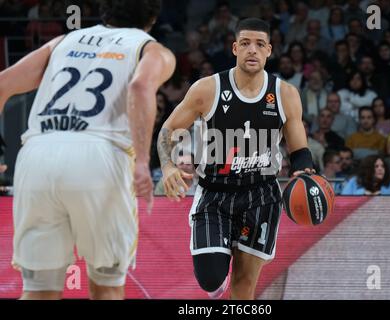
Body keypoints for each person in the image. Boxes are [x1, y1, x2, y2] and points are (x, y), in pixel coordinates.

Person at [0, 0, 176, 300]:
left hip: (38, 152)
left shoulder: (63, 41)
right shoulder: (152, 49)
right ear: (153, 17)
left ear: (104, 11)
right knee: (106, 285)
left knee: (39, 289)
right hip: (99, 154)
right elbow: (140, 87)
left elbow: (3, 83)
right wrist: (143, 161)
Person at [157, 18, 315, 300]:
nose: (252, 50)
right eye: (245, 43)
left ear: (269, 50)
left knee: (243, 287)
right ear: (234, 48)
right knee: (210, 279)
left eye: (259, 44)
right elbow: (168, 130)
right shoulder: (208, 89)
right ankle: (216, 276)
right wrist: (168, 166)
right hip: (214, 194)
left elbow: (299, 150)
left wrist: (304, 172)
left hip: (261, 194)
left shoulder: (286, 94)